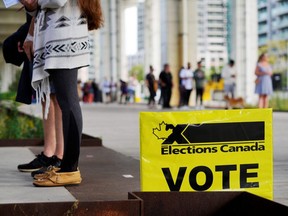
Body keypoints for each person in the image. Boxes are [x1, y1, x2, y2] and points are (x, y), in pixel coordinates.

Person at [19, 0, 104, 187]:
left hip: (66, 38)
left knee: (67, 101)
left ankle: (70, 169)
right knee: (66, 101)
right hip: (59, 37)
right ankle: (67, 166)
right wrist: (32, 6)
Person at [2, 13, 63, 177]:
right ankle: (50, 154)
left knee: (57, 97)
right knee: (46, 95)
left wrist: (29, 34)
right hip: (41, 27)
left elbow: (43, 5)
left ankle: (60, 156)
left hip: (55, 31)